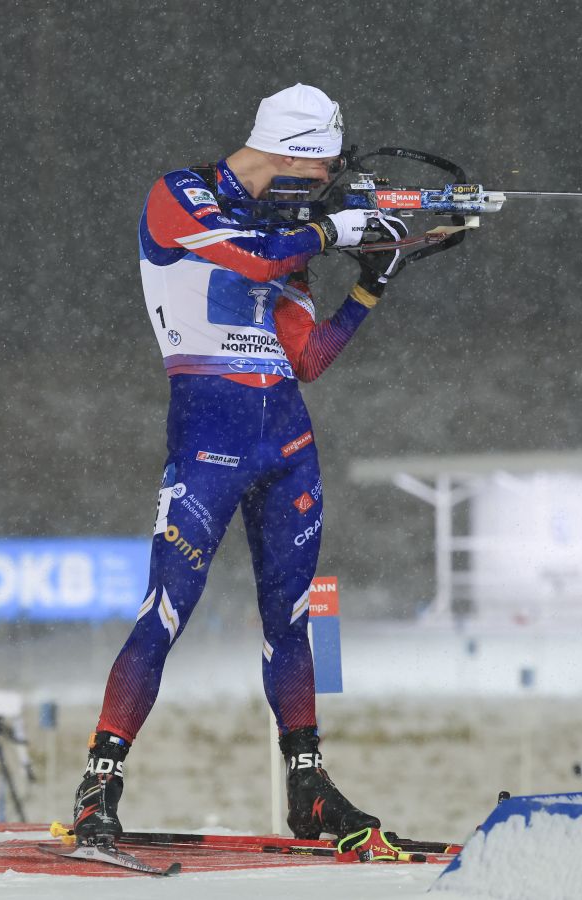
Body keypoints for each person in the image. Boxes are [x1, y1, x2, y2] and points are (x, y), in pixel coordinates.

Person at [72, 84, 408, 856]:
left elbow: (309, 357)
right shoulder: (179, 196)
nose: (322, 184)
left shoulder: (286, 230)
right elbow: (249, 257)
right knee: (166, 611)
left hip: (287, 440)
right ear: (291, 148)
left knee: (290, 622)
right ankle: (98, 790)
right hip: (209, 439)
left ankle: (309, 788)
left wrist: (372, 282)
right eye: (319, 169)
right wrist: (332, 229)